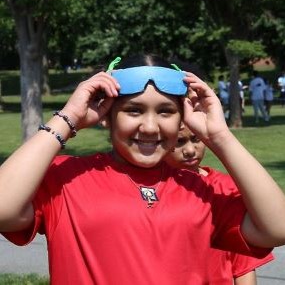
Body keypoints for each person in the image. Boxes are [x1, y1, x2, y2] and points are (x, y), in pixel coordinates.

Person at [1, 54, 285, 284]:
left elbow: (277, 227)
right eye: (133, 110)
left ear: (183, 117)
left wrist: (220, 137)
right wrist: (68, 118)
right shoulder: (66, 178)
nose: (150, 127)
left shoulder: (204, 190)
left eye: (165, 111)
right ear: (106, 114)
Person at [165, 124, 274, 285]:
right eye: (179, 142)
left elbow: (244, 266)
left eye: (196, 139)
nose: (190, 150)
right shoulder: (151, 190)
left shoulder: (225, 187)